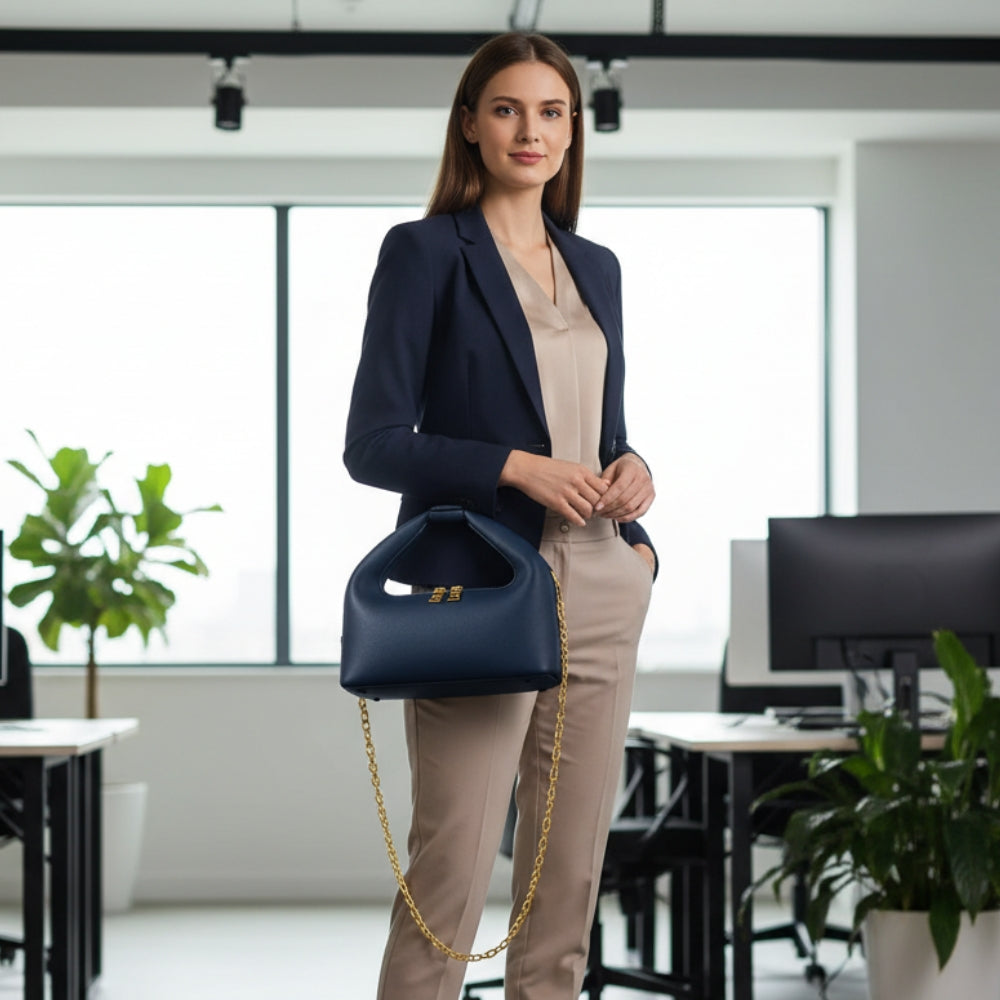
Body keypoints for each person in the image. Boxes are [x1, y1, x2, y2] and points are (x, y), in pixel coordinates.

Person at [344, 31, 657, 1000]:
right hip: (481, 585)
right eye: (510, 109)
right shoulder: (426, 252)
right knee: (451, 865)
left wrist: (632, 468)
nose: (533, 129)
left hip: (602, 578)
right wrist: (514, 467)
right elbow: (374, 442)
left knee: (566, 884)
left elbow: (600, 427)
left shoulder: (595, 264)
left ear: (572, 130)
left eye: (552, 111)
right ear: (471, 126)